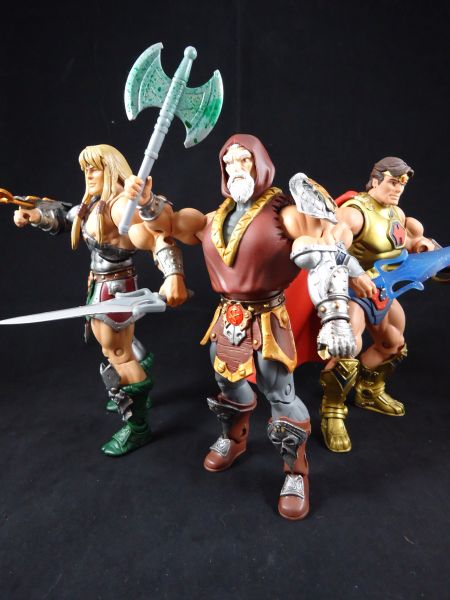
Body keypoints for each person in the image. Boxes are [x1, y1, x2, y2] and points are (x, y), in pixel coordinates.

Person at [126, 133, 356, 519]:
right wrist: (148, 201)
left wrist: (336, 315)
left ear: (260, 163)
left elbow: (330, 243)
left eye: (243, 160)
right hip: (227, 317)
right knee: (226, 382)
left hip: (268, 318)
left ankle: (295, 473)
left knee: (280, 393)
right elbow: (169, 225)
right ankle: (234, 438)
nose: (236, 168)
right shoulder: (212, 218)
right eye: (229, 162)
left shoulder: (286, 212)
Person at [13, 144, 187, 456]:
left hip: (114, 290)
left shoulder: (120, 207)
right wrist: (36, 215)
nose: (89, 175)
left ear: (111, 169)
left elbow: (158, 233)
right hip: (103, 285)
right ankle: (140, 390)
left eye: (94, 168)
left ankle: (138, 425)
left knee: (116, 352)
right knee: (124, 345)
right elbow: (69, 216)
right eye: (86, 170)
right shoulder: (97, 203)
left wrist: (173, 275)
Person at [319, 157, 439, 453]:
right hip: (353, 292)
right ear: (375, 180)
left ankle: (368, 390)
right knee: (347, 347)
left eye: (401, 184)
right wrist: (353, 274)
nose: (397, 189)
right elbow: (330, 249)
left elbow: (404, 243)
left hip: (384, 290)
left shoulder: (396, 213)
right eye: (392, 182)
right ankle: (332, 411)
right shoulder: (354, 213)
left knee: (393, 343)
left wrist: (422, 247)